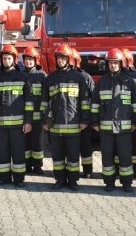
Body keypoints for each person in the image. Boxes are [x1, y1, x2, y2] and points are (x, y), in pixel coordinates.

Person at [91, 48, 136, 193]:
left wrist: (135, 122)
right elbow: (95, 104)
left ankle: (127, 183)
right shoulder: (102, 82)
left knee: (125, 156)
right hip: (106, 129)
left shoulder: (129, 82)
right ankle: (109, 182)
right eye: (110, 63)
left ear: (121, 63)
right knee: (107, 156)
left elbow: (135, 105)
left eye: (115, 63)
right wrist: (95, 123)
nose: (113, 65)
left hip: (125, 128)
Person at [42, 44, 90, 191]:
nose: (60, 60)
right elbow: (44, 102)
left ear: (68, 59)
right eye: (59, 58)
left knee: (73, 156)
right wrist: (45, 121)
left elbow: (84, 101)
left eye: (63, 58)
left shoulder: (78, 78)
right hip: (55, 126)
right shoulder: (50, 78)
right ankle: (59, 180)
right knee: (57, 156)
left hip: (74, 125)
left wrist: (84, 120)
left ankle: (73, 181)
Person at [0, 44, 32, 187]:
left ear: (14, 60)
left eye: (9, 58)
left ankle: (19, 179)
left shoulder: (23, 77)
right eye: (4, 58)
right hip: (0, 124)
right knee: (2, 153)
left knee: (18, 152)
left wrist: (28, 122)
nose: (6, 61)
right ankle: (3, 178)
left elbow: (29, 103)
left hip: (18, 125)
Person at [121, 48, 136, 179]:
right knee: (121, 146)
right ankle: (134, 170)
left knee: (135, 145)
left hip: (132, 117)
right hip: (122, 117)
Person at [21, 46, 47, 175]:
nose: (28, 62)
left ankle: (38, 166)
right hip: (24, 117)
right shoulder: (19, 75)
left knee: (38, 143)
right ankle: (27, 165)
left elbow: (45, 97)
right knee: (25, 143)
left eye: (31, 60)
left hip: (38, 118)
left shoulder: (42, 76)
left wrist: (44, 116)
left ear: (36, 60)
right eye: (26, 59)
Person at [71, 48, 95, 179]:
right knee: (71, 147)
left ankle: (88, 170)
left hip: (83, 118)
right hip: (70, 119)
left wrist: (87, 119)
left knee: (86, 146)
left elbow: (92, 97)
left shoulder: (86, 77)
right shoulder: (64, 77)